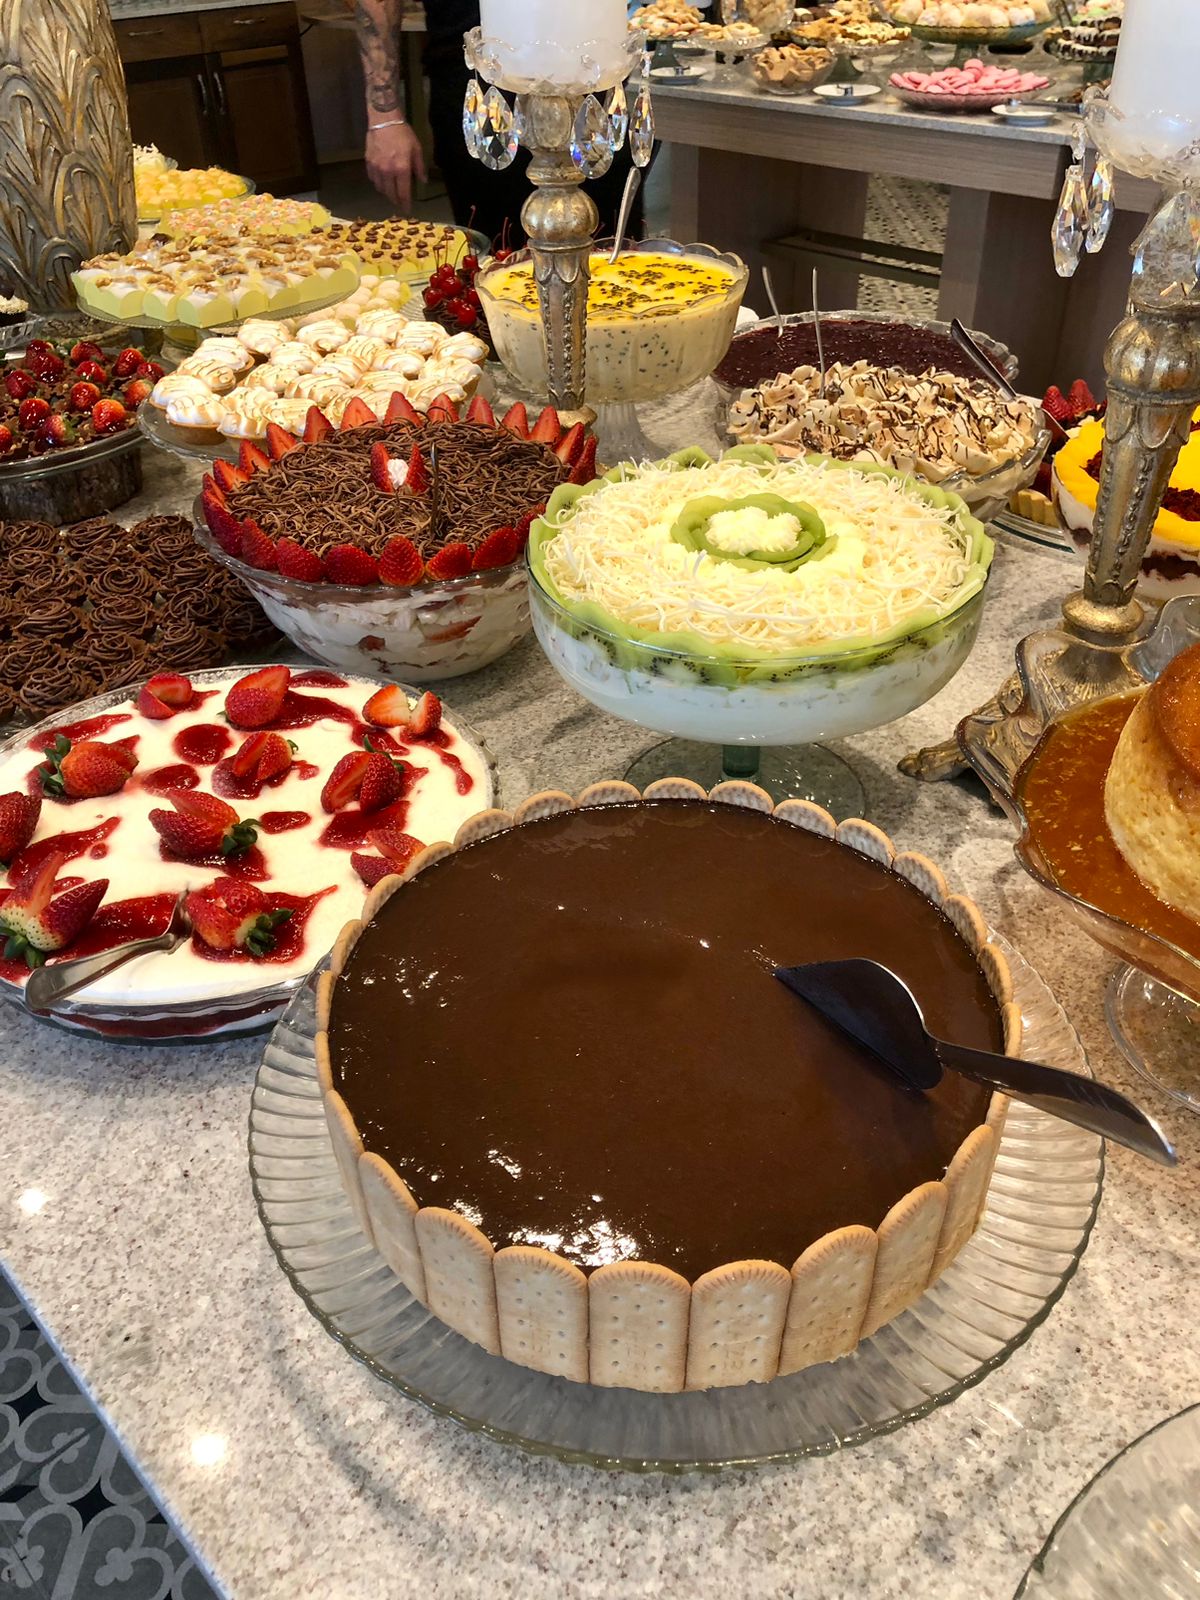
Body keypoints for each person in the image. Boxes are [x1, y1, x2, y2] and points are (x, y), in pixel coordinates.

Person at [354, 0, 644, 246]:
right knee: (499, 263)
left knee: (616, 260)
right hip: (484, 88)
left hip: (598, 86)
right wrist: (384, 115)